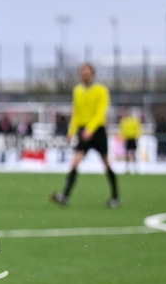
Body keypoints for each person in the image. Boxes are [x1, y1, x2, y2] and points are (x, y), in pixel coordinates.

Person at [49, 63, 120, 207]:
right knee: (75, 162)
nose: (85, 75)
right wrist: (72, 131)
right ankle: (65, 196)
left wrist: (90, 129)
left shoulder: (101, 90)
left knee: (106, 163)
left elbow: (101, 113)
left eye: (87, 73)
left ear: (92, 74)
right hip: (83, 130)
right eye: (83, 73)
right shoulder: (78, 90)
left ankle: (115, 197)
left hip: (97, 130)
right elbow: (76, 112)